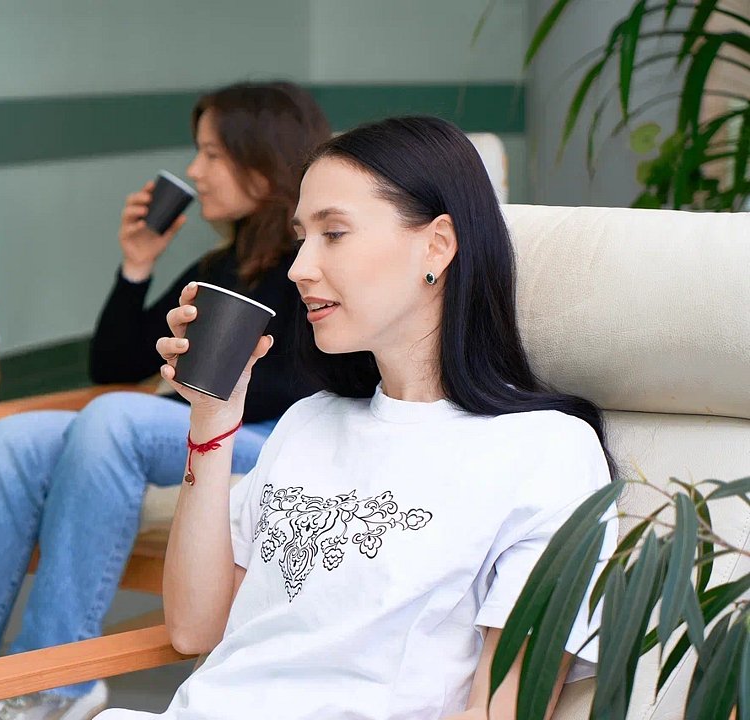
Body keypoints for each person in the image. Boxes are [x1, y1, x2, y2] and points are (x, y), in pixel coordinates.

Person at [98, 115, 620, 720]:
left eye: (334, 233)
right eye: (302, 237)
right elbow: (194, 628)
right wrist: (212, 421)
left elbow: (504, 712)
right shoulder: (309, 423)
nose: (299, 267)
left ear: (437, 246)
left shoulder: (546, 451)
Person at [0, 81, 330, 720]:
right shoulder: (222, 264)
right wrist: (136, 266)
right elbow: (116, 364)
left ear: (263, 161)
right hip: (188, 424)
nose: (194, 171)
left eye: (211, 154)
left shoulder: (311, 265)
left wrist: (204, 387)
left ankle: (55, 681)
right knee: (11, 440)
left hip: (271, 441)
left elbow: (317, 379)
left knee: (116, 418)